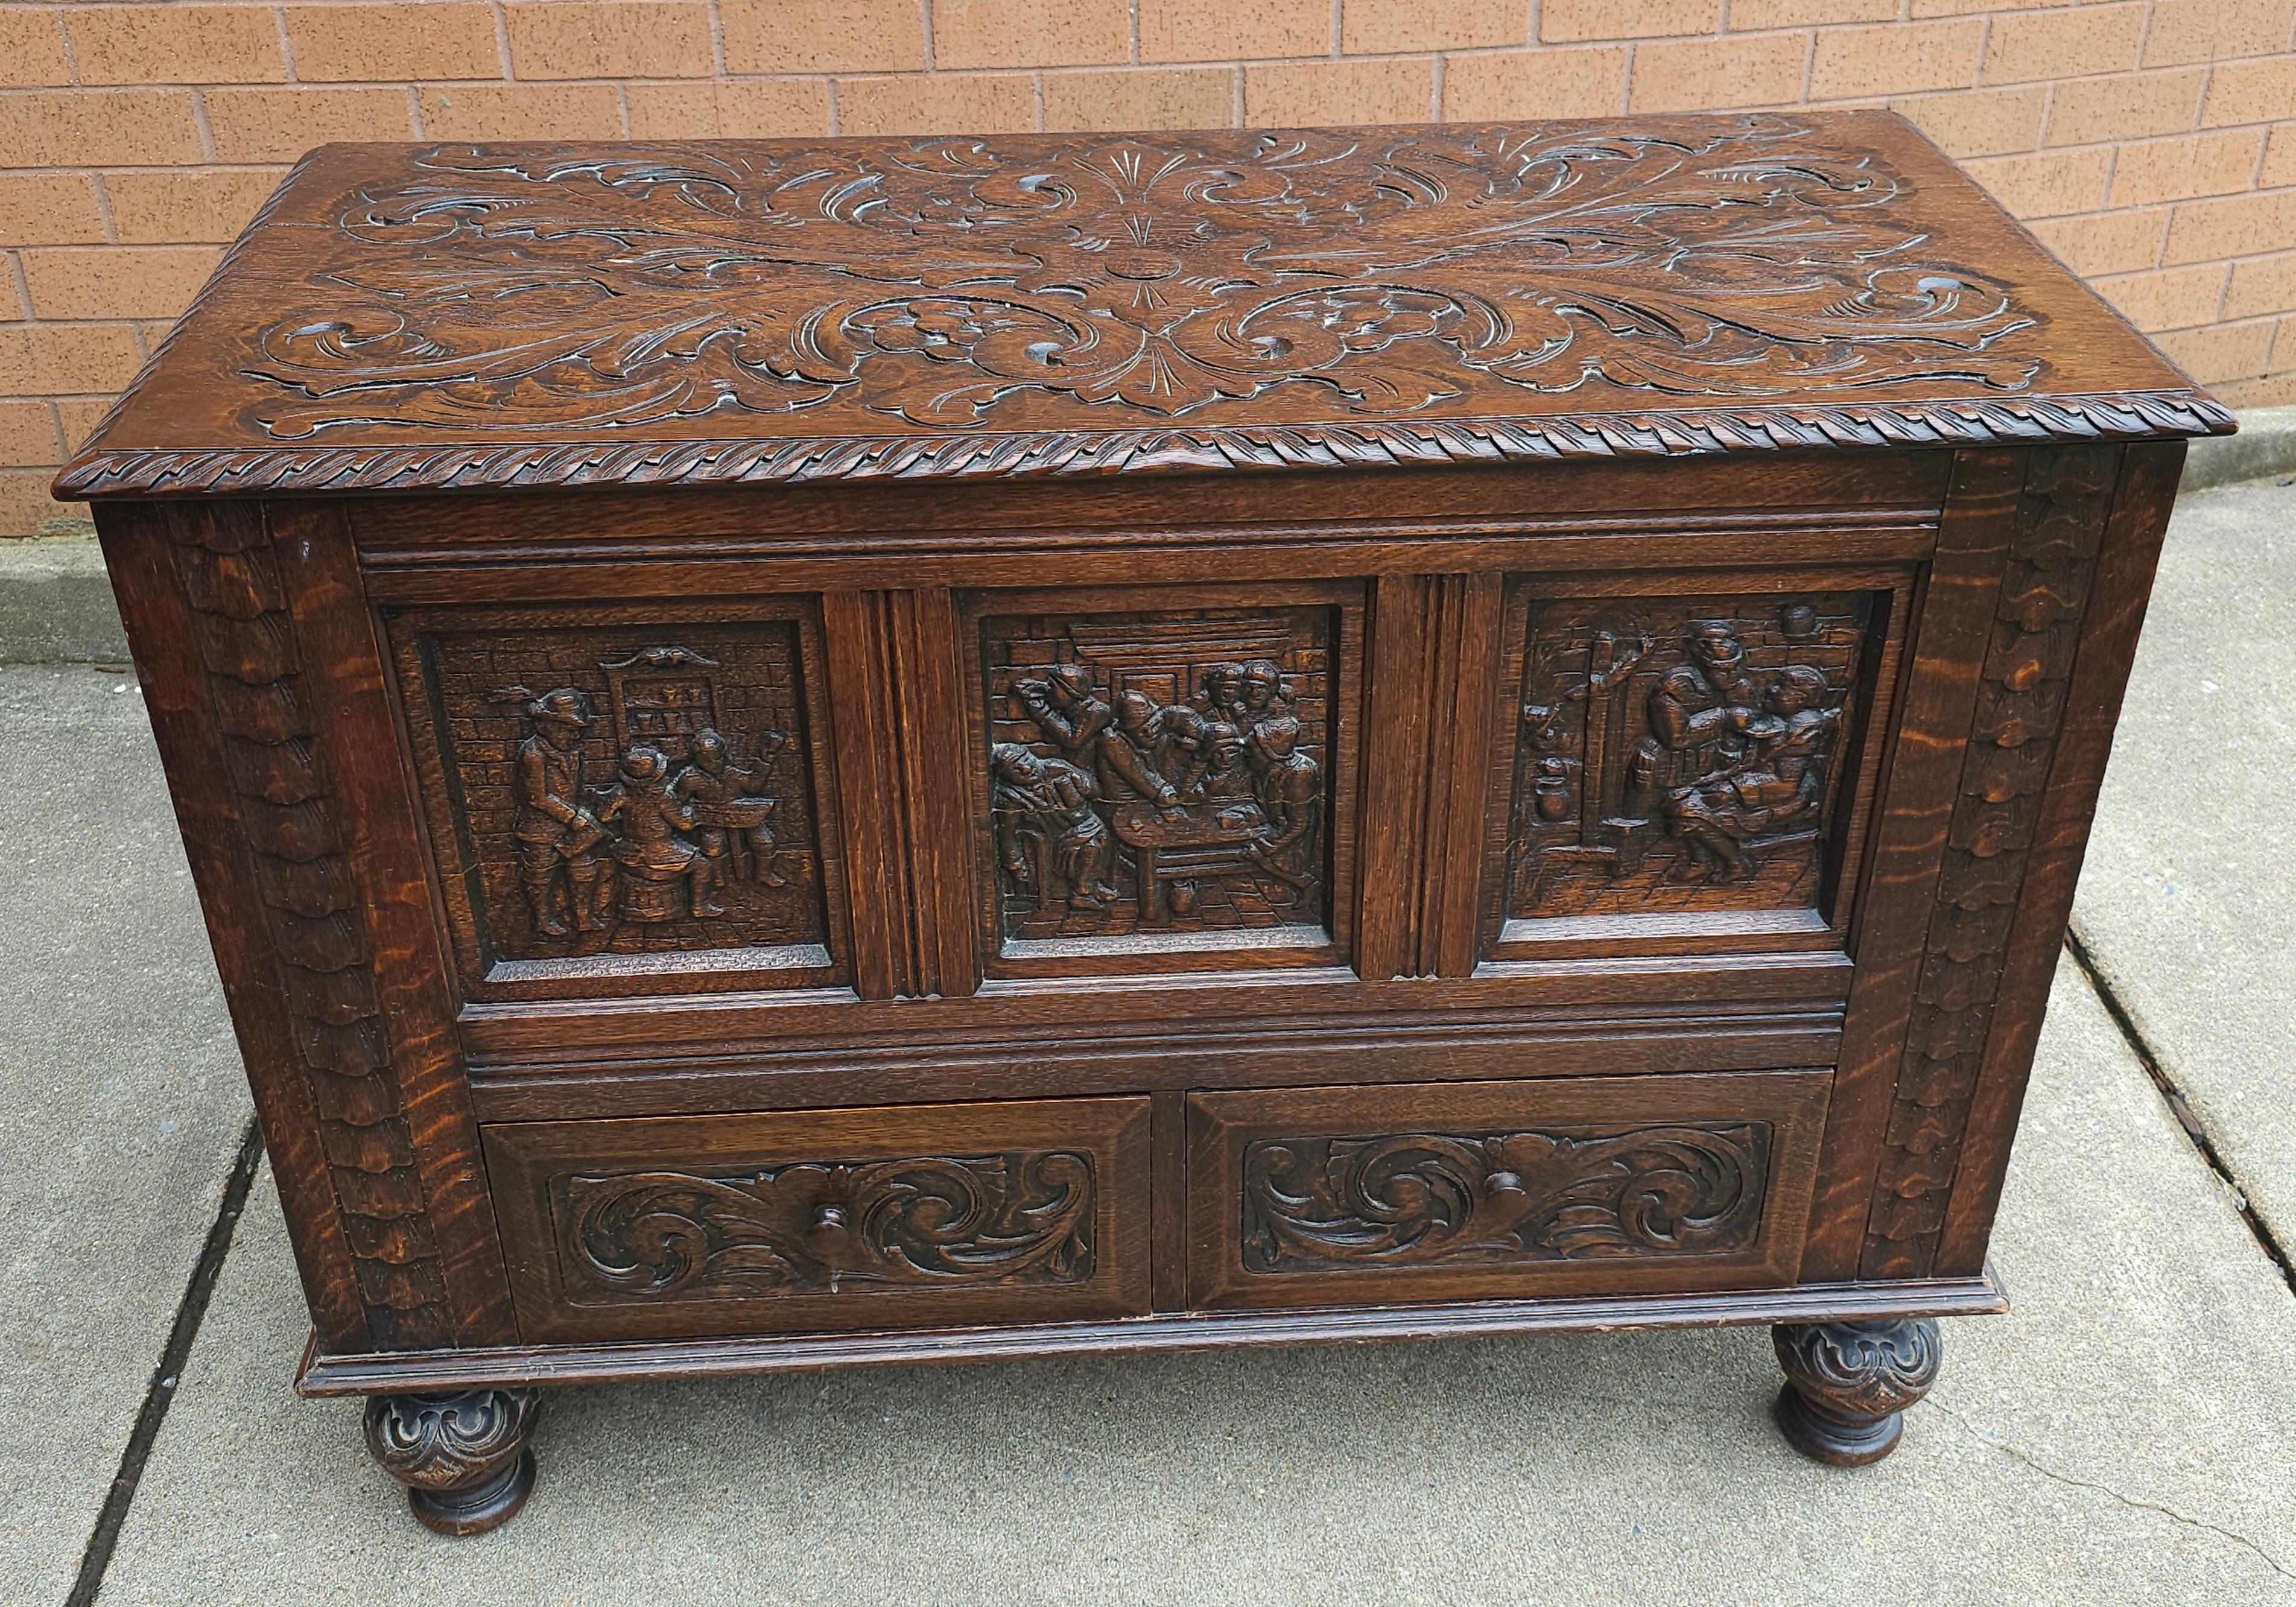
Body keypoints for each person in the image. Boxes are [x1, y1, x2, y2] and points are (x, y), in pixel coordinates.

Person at [510, 688, 609, 937]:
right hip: (540, 828)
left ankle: (584, 917)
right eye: (567, 728)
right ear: (545, 726)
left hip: (572, 824)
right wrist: (572, 816)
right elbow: (538, 796)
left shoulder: (573, 752)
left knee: (585, 871)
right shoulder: (533, 753)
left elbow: (575, 788)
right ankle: (542, 920)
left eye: (577, 729)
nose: (574, 735)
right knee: (540, 875)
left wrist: (595, 802)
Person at [989, 743, 1118, 911]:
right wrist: (1015, 863)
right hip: (1055, 836)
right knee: (1091, 846)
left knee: (1104, 839)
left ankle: (1094, 884)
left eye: (1026, 760)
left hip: (1088, 823)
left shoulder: (1055, 768)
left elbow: (1095, 793)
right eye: (1016, 769)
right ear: (1006, 776)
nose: (1026, 769)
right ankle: (1080, 892)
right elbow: (1007, 833)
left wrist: (1079, 781)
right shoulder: (1011, 797)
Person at [596, 746, 720, 921]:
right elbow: (684, 824)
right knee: (702, 866)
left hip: (626, 849)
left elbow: (604, 816)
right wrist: (690, 812)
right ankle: (699, 906)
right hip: (661, 852)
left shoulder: (620, 792)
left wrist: (625, 816)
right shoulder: (663, 797)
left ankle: (602, 910)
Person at [677, 727, 788, 888]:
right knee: (713, 846)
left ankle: (763, 874)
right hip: (711, 817)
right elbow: (679, 800)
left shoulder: (731, 773)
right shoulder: (690, 777)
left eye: (717, 759)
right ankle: (716, 879)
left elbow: (753, 785)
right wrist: (688, 806)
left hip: (740, 812)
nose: (714, 764)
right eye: (708, 760)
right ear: (698, 758)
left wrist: (765, 761)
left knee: (765, 842)